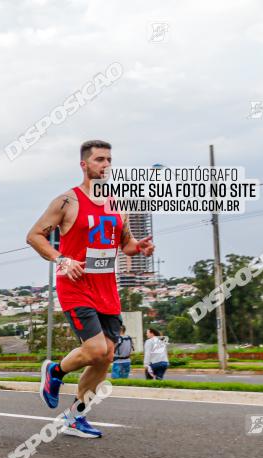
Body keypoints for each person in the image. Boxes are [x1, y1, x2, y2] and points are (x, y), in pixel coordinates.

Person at [26, 140, 155, 438]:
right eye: (99, 159)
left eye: (109, 159)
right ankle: (54, 372)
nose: (106, 165)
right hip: (75, 286)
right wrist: (62, 258)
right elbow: (34, 236)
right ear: (84, 164)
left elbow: (126, 244)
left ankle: (74, 417)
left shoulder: (116, 203)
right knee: (96, 348)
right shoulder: (66, 201)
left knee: (107, 356)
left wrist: (140, 248)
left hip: (106, 289)